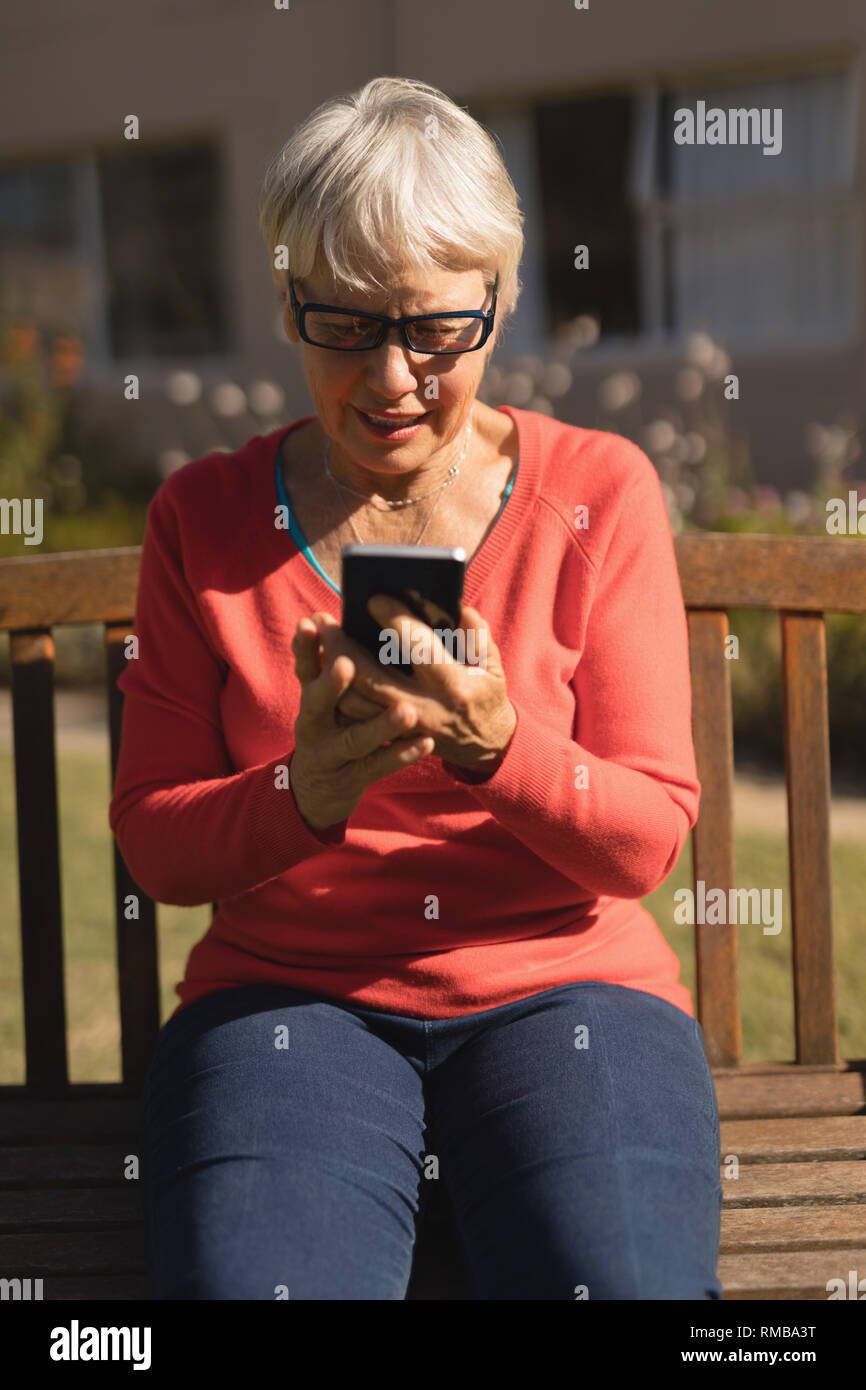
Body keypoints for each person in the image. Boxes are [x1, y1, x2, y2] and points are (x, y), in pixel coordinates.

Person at [109, 75, 722, 1301]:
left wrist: (504, 751)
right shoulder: (204, 519)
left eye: (434, 327)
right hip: (291, 1003)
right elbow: (157, 850)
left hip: (567, 990)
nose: (391, 378)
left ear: (496, 308)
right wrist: (299, 793)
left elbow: (648, 834)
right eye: (340, 323)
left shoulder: (599, 492)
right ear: (285, 304)